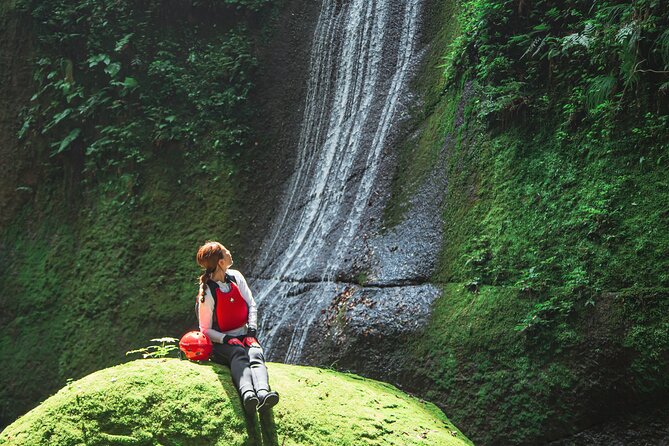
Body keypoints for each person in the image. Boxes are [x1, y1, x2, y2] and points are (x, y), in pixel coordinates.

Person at [195, 240, 279, 414]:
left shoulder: (236, 277)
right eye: (226, 251)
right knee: (238, 353)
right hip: (221, 343)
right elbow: (205, 330)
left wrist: (251, 332)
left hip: (244, 335)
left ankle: (264, 393)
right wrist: (227, 339)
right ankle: (248, 394)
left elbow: (251, 305)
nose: (229, 252)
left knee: (255, 352)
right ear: (220, 261)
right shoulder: (207, 292)